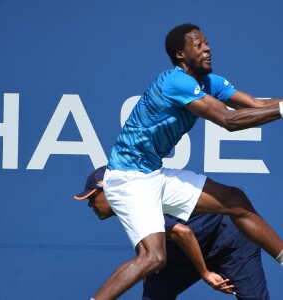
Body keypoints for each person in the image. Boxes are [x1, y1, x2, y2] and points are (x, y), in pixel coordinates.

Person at [90, 24, 283, 299]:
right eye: (199, 45)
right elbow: (229, 120)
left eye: (207, 43)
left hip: (152, 174)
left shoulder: (210, 82)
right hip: (128, 178)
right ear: (181, 54)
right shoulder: (175, 81)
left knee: (235, 200)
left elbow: (252, 103)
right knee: (154, 258)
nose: (208, 48)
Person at [74, 166, 270, 299]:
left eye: (92, 197)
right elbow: (141, 258)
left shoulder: (136, 199)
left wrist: (205, 273)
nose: (90, 204)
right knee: (154, 289)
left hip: (228, 242)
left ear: (107, 190)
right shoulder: (125, 208)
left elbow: (182, 233)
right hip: (184, 251)